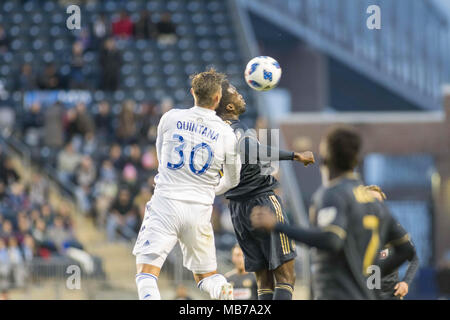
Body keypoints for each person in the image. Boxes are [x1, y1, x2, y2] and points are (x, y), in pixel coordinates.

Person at [251, 127, 416, 300]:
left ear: (326, 159)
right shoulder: (374, 203)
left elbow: (331, 239)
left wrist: (278, 226)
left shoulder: (332, 194)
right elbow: (406, 250)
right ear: (355, 160)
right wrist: (368, 275)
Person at [133, 69, 240, 300]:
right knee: (207, 277)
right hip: (199, 210)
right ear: (217, 98)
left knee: (146, 274)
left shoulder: (170, 117)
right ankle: (222, 289)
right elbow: (233, 180)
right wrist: (210, 189)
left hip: (166, 204)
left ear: (192, 93)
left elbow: (162, 158)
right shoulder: (227, 134)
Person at [215, 79, 315, 300]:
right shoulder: (237, 128)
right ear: (228, 106)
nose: (240, 95)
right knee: (286, 277)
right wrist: (294, 155)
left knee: (264, 281)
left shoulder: (213, 132)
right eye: (234, 93)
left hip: (237, 210)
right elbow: (251, 149)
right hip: (261, 202)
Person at [365, 185, 419, 300]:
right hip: (361, 293)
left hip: (389, 294)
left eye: (378, 201)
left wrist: (406, 282)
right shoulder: (352, 229)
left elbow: (413, 257)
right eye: (370, 201)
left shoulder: (391, 228)